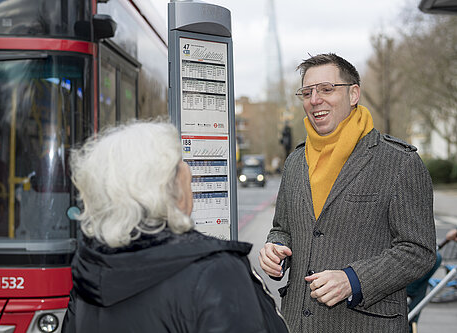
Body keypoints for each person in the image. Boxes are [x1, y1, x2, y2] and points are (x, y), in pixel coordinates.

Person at [258, 53, 436, 332]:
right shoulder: (295, 162)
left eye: (327, 89)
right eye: (307, 92)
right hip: (295, 323)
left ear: (354, 94)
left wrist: (353, 280)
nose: (315, 99)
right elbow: (282, 228)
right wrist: (276, 249)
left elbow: (419, 251)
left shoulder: (399, 161)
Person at [62, 121, 288, 333]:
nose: (188, 170)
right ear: (165, 187)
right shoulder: (216, 271)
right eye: (179, 162)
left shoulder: (90, 271)